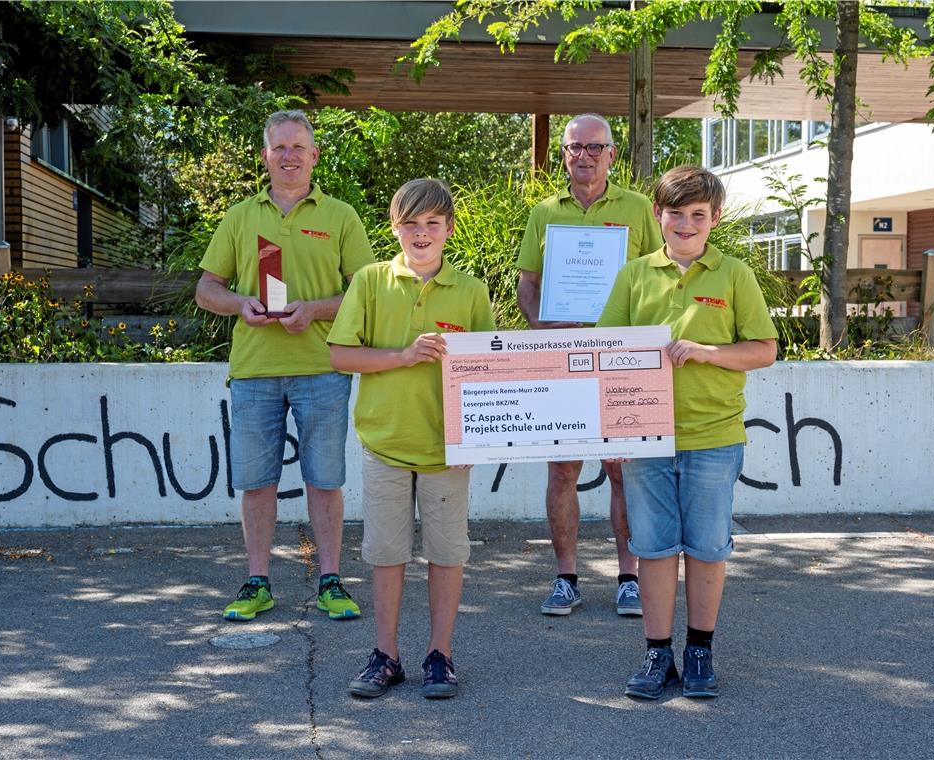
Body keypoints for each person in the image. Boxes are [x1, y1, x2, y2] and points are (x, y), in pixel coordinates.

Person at [596, 165, 778, 699]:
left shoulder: (735, 274)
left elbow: (763, 350)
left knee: (706, 549)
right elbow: (606, 352)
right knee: (652, 548)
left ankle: (699, 651)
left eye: (698, 215)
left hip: (714, 437)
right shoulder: (633, 276)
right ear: (658, 215)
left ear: (714, 218)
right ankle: (658, 656)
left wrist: (706, 352)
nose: (686, 224)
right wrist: (611, 434)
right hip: (644, 436)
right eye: (676, 213)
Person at [195, 110, 374, 622]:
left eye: (298, 147)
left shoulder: (340, 216)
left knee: (324, 480)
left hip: (323, 367)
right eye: (280, 148)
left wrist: (314, 310)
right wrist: (241, 304)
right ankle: (257, 581)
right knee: (256, 482)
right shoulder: (240, 216)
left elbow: (365, 290)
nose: (289, 156)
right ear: (265, 156)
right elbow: (206, 289)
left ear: (314, 155)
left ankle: (331, 581)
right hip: (254, 369)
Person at [328, 179, 496, 700]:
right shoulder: (371, 282)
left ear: (448, 229)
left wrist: (478, 441)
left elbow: (486, 373)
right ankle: (387, 656)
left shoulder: (470, 291)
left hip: (448, 450)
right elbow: (340, 355)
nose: (421, 233)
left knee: (448, 554)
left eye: (432, 223)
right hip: (386, 444)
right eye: (411, 223)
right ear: (394, 226)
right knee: (386, 553)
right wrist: (401, 355)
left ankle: (439, 655)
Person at [516, 113, 664, 617]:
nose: (584, 156)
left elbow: (660, 277)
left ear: (611, 153)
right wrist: (539, 327)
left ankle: (629, 577)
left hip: (620, 360)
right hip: (561, 358)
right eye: (574, 147)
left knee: (623, 471)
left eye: (594, 147)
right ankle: (565, 578)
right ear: (563, 154)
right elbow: (527, 283)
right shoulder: (543, 212)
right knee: (563, 471)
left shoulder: (639, 208)